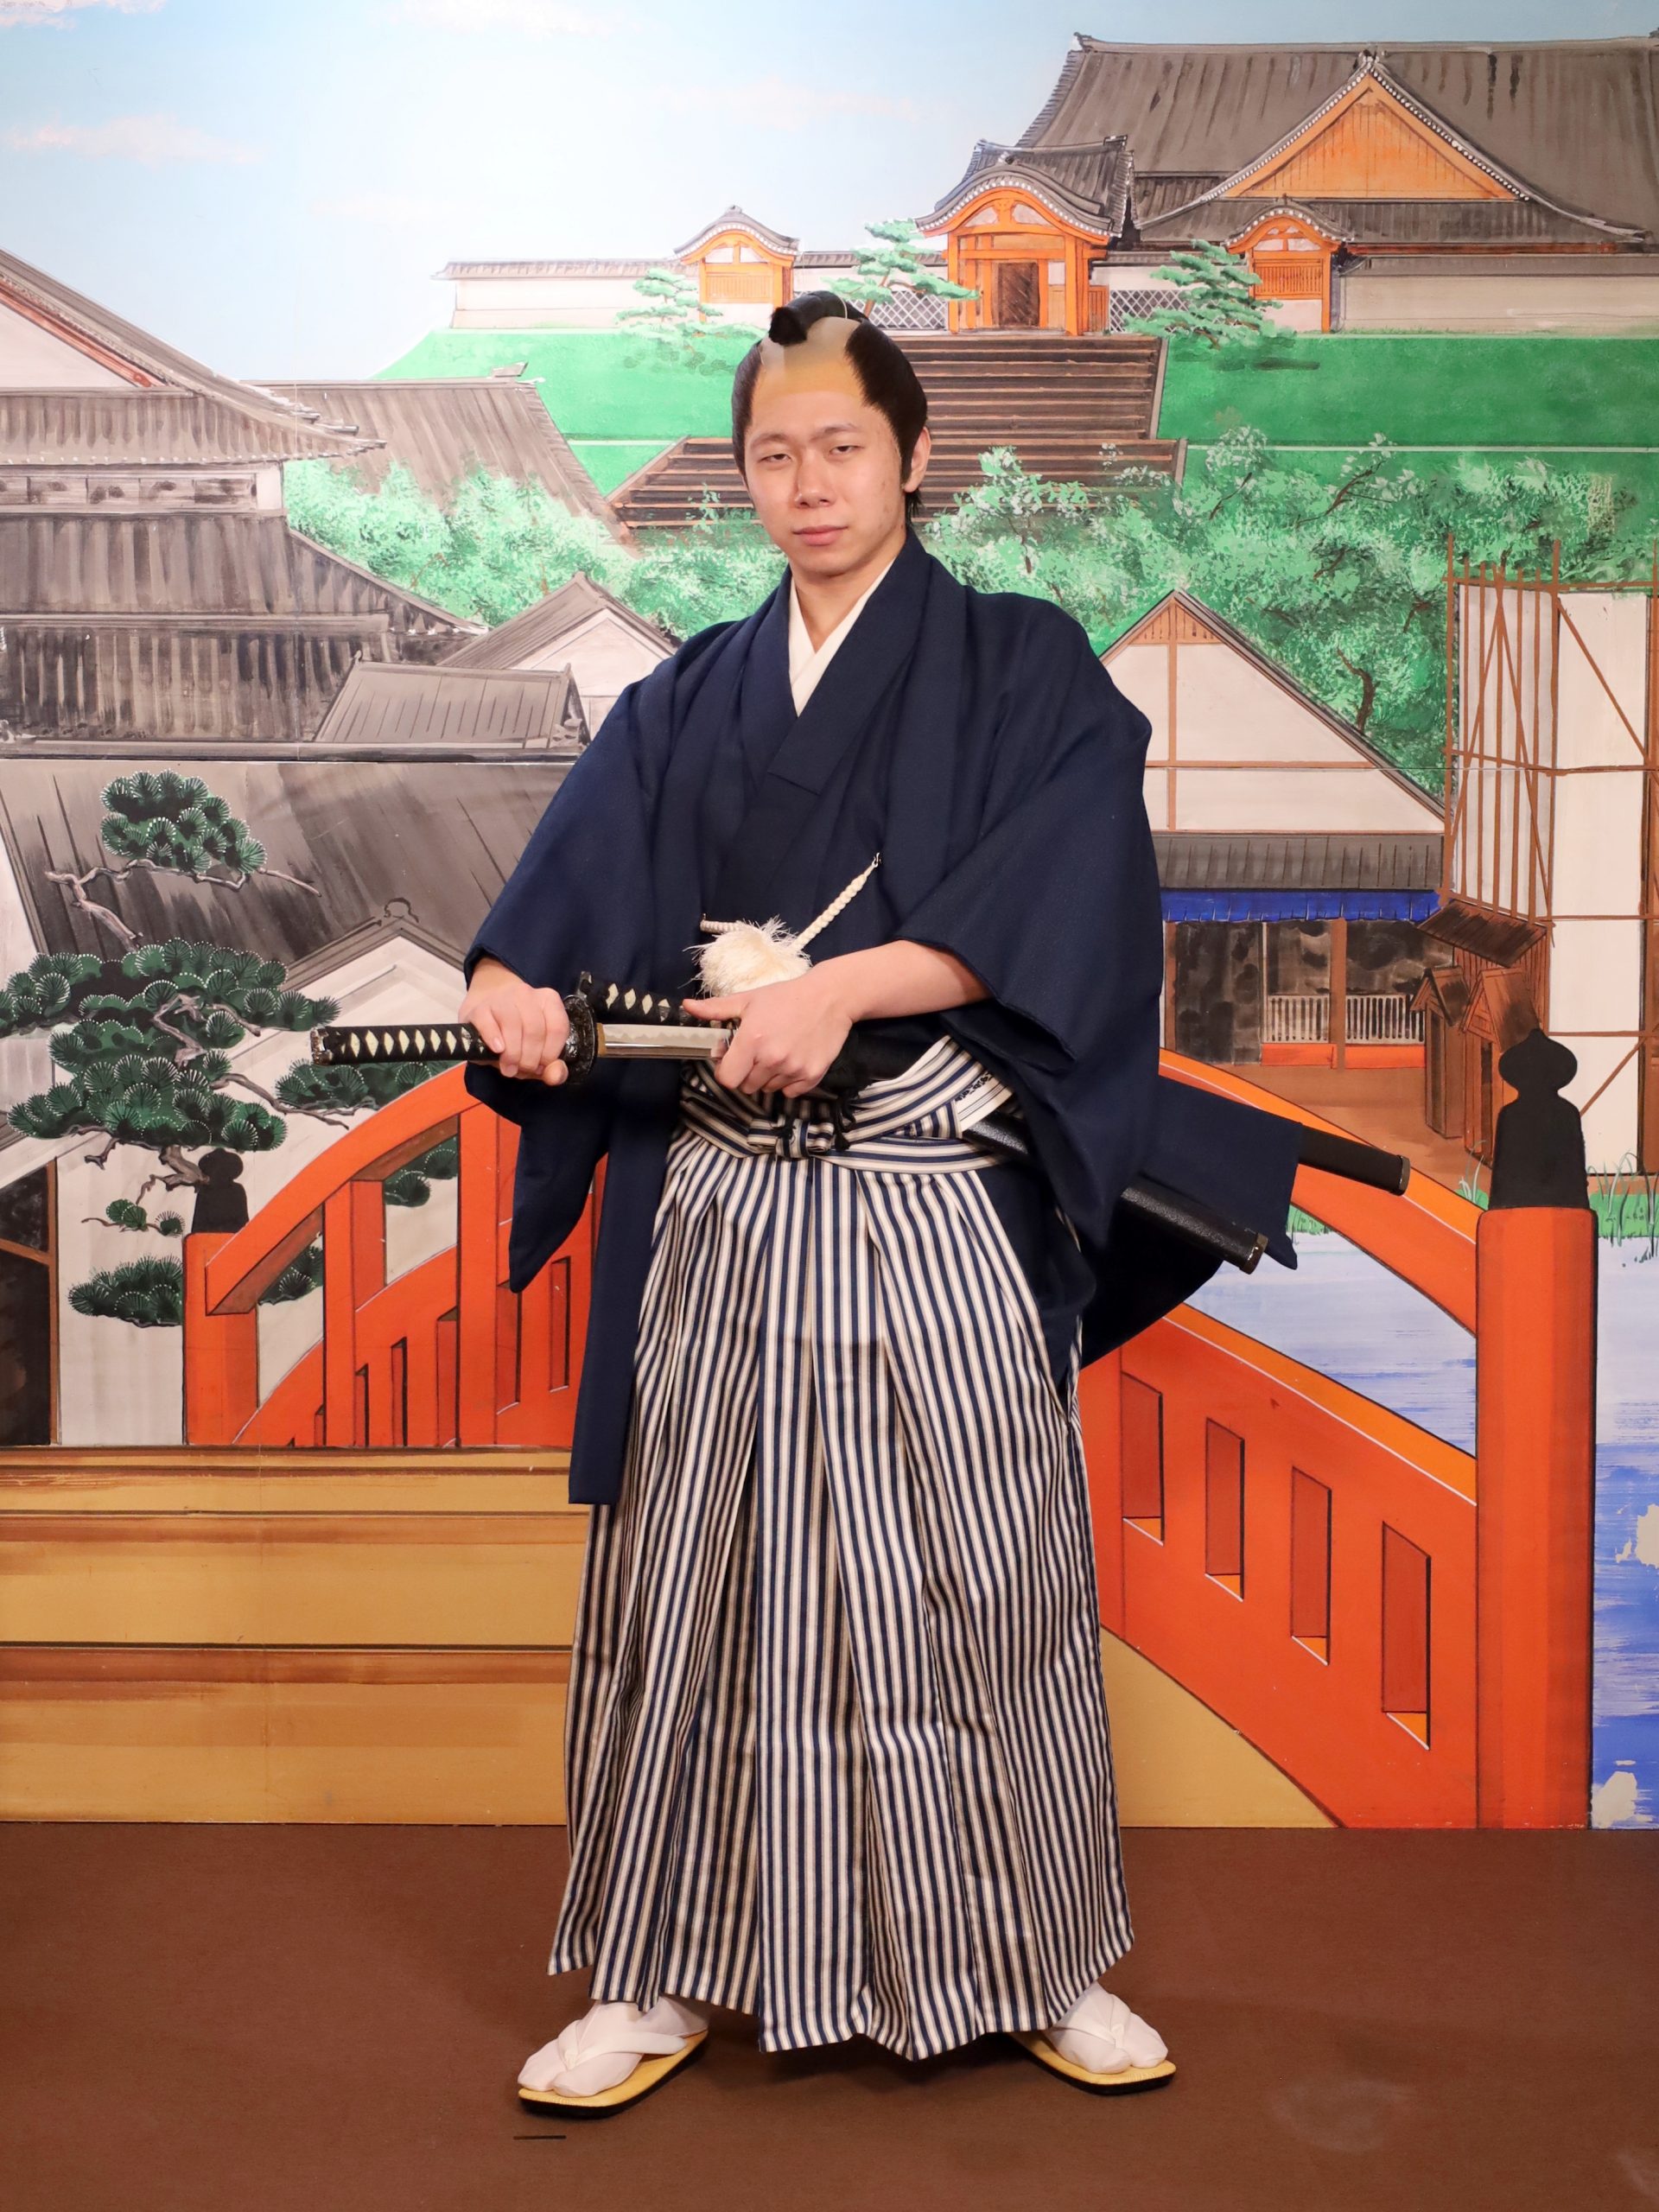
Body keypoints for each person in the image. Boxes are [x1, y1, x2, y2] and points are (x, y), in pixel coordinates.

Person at [459, 295, 1280, 2116]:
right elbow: (559, 899)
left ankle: (1039, 1955)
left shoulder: (1023, 664)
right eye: (774, 453)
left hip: (931, 1202)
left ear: (912, 455)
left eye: (841, 445)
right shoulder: (692, 693)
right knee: (697, 1583)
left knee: (981, 1576)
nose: (808, 482)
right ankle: (659, 1966)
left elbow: (1065, 893)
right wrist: (512, 983)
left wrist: (846, 987)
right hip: (729, 1208)